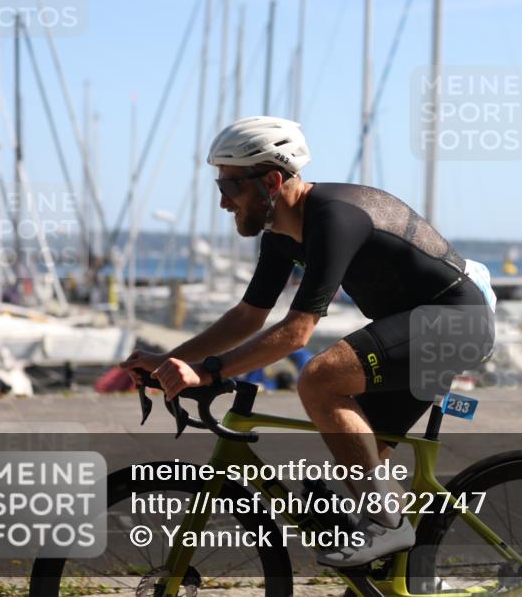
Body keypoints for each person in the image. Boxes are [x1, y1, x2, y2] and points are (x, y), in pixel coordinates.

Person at [121, 116, 496, 566]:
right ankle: (400, 565)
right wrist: (171, 360)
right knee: (359, 462)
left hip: (455, 321)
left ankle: (388, 529)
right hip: (413, 326)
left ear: (272, 181)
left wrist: (209, 371)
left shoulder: (335, 217)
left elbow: (298, 331)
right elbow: (247, 317)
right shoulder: (281, 234)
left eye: (231, 188)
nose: (222, 202)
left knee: (320, 379)